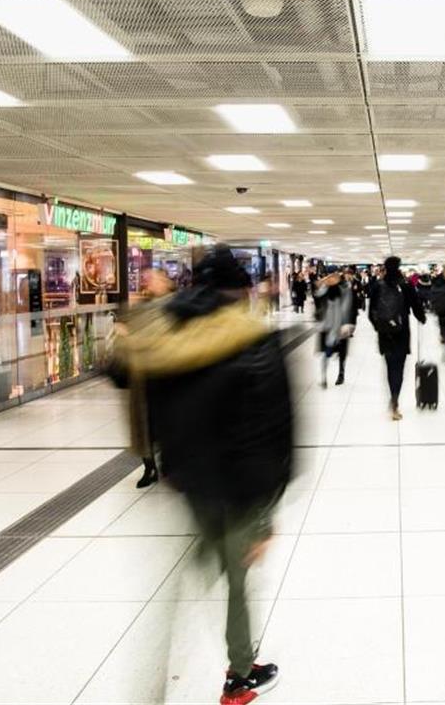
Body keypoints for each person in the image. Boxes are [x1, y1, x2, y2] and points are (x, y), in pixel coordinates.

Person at [107, 245, 291, 703]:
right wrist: (266, 513)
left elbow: (120, 375)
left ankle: (148, 690)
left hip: (188, 482)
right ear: (240, 291)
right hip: (238, 489)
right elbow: (275, 430)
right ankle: (240, 676)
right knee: (236, 580)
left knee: (175, 588)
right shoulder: (252, 337)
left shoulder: (163, 332)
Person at [118, 267, 176, 489]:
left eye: (157, 279)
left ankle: (169, 465)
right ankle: (149, 466)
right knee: (145, 427)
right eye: (149, 280)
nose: (152, 283)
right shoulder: (138, 308)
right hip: (142, 378)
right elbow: (124, 334)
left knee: (167, 424)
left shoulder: (176, 306)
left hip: (167, 375)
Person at [368, 256, 426, 420]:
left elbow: (371, 312)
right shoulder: (406, 285)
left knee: (389, 366)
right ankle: (395, 400)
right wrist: (422, 318)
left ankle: (393, 397)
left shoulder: (378, 286)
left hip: (385, 333)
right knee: (398, 368)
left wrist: (379, 327)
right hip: (402, 332)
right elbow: (416, 306)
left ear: (385, 268)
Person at [314, 266, 357, 388]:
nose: (332, 277)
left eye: (334, 275)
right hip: (327, 325)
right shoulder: (324, 288)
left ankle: (341, 374)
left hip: (341, 325)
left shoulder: (345, 287)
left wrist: (347, 324)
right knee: (325, 352)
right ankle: (324, 377)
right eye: (329, 275)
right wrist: (324, 282)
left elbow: (348, 306)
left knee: (341, 352)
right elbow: (317, 294)